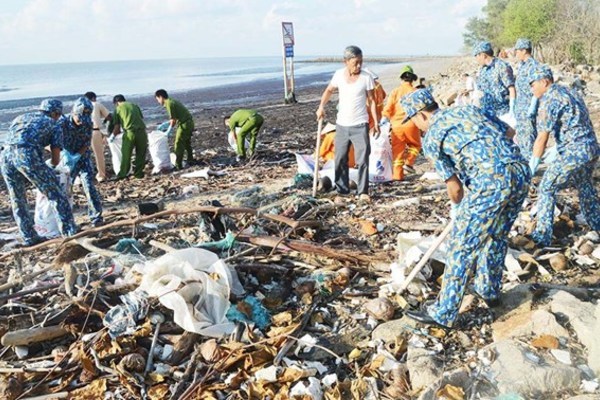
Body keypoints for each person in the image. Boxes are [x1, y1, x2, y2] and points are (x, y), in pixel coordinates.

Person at [399, 89, 529, 329]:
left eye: (415, 121)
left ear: (421, 115)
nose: (417, 127)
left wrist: (458, 209)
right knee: (497, 235)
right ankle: (489, 291)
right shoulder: (468, 109)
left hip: (491, 180)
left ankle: (444, 313)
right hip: (520, 171)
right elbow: (510, 132)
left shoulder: (432, 137)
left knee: (461, 246)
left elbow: (455, 189)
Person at [528, 65, 600, 246]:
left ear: (544, 81)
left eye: (533, 84)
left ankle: (542, 236)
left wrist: (532, 166)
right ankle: (597, 225)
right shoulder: (570, 91)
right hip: (590, 148)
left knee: (547, 187)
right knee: (585, 186)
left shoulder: (550, 99)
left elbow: (542, 138)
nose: (531, 89)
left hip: (574, 152)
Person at [0, 99, 77, 245]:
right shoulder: (54, 125)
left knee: (17, 198)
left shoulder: (21, 117)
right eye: (58, 115)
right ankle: (69, 234)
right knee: (56, 194)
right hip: (26, 155)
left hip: (5, 156)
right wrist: (49, 169)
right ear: (55, 113)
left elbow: (16, 138)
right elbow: (55, 160)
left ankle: (29, 237)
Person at [316, 45, 380, 201]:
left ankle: (363, 191)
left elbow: (372, 101)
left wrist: (376, 122)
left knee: (363, 159)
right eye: (355, 62)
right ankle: (342, 191)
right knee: (340, 159)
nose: (358, 66)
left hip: (360, 124)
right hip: (342, 125)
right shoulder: (338, 75)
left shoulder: (366, 77)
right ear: (346, 61)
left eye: (361, 62)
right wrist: (321, 107)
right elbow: (329, 91)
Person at [60, 97, 103, 227]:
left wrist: (78, 155)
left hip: (82, 157)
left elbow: (86, 143)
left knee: (89, 186)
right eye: (79, 119)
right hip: (66, 159)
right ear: (73, 113)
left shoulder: (88, 123)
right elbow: (50, 142)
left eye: (84, 119)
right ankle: (65, 220)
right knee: (65, 189)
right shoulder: (61, 124)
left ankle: (96, 217)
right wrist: (64, 154)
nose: (81, 122)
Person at [381, 65, 421, 180]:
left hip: (397, 126)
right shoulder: (416, 92)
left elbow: (388, 109)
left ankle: (398, 177)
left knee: (397, 152)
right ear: (413, 79)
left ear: (402, 78)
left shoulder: (395, 92)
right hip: (411, 124)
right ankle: (408, 163)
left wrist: (384, 119)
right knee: (416, 145)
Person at [473, 41, 516, 119]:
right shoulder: (483, 70)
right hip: (487, 113)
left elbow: (512, 88)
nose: (476, 59)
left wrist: (512, 109)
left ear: (483, 55)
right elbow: (479, 91)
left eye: (476, 56)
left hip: (503, 113)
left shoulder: (501, 66)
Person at [513, 38, 540, 159]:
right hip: (521, 109)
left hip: (528, 109)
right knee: (521, 139)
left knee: (529, 139)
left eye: (517, 51)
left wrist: (533, 105)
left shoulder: (533, 66)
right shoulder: (522, 66)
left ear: (524, 50)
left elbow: (537, 88)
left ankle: (531, 170)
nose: (516, 53)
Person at [154, 89, 195, 169]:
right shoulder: (172, 101)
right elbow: (175, 118)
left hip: (185, 124)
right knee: (186, 142)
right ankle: (190, 159)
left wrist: (168, 131)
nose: (158, 101)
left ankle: (178, 165)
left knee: (178, 143)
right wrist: (165, 124)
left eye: (157, 99)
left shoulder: (169, 103)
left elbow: (173, 120)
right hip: (189, 122)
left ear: (161, 97)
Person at [110, 95, 147, 179]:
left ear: (116, 102)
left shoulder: (118, 109)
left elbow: (117, 127)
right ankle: (139, 174)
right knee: (141, 153)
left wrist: (112, 136)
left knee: (126, 154)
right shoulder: (135, 106)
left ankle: (123, 174)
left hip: (130, 133)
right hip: (142, 132)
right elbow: (140, 118)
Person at [84, 91, 112, 181]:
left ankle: (83, 175)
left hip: (82, 132)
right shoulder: (97, 104)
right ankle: (101, 175)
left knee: (82, 154)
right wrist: (103, 123)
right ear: (93, 98)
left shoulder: (80, 105)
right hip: (95, 131)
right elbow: (109, 117)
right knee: (98, 155)